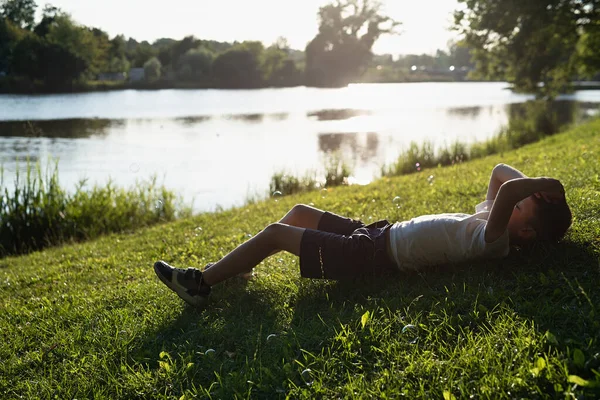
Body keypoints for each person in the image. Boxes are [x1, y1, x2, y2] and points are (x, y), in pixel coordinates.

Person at [154, 163, 572, 308]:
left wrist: (547, 184)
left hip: (371, 257)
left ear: (527, 232)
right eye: (520, 200)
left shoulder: (494, 240)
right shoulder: (491, 219)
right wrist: (542, 194)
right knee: (299, 212)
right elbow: (501, 172)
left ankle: (202, 284)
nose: (511, 201)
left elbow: (510, 188)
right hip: (376, 236)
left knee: (277, 233)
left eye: (520, 207)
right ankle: (237, 270)